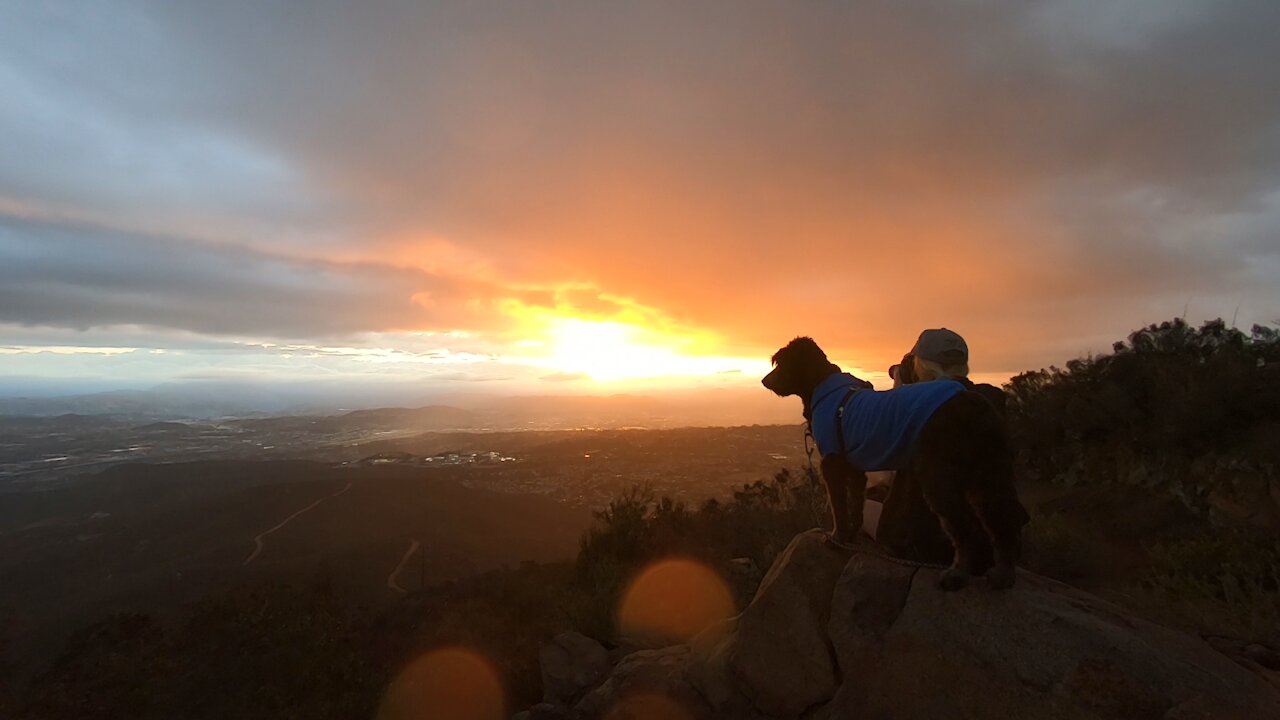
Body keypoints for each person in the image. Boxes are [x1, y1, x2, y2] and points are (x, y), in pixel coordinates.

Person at [863, 328, 1019, 566]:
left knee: (862, 507)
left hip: (930, 544)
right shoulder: (989, 401)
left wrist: (900, 393)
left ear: (921, 366)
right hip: (992, 541)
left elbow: (883, 474)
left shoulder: (921, 407)